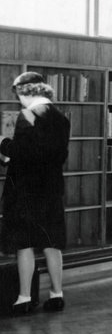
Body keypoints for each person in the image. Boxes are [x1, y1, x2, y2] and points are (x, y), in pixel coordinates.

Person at [1, 72, 71, 315]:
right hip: (51, 190)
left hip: (26, 192)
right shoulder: (61, 118)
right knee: (52, 244)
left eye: (18, 95)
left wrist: (2, 143)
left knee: (25, 244)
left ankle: (24, 298)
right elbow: (52, 155)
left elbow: (21, 153)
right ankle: (56, 295)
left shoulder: (28, 115)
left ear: (25, 92)